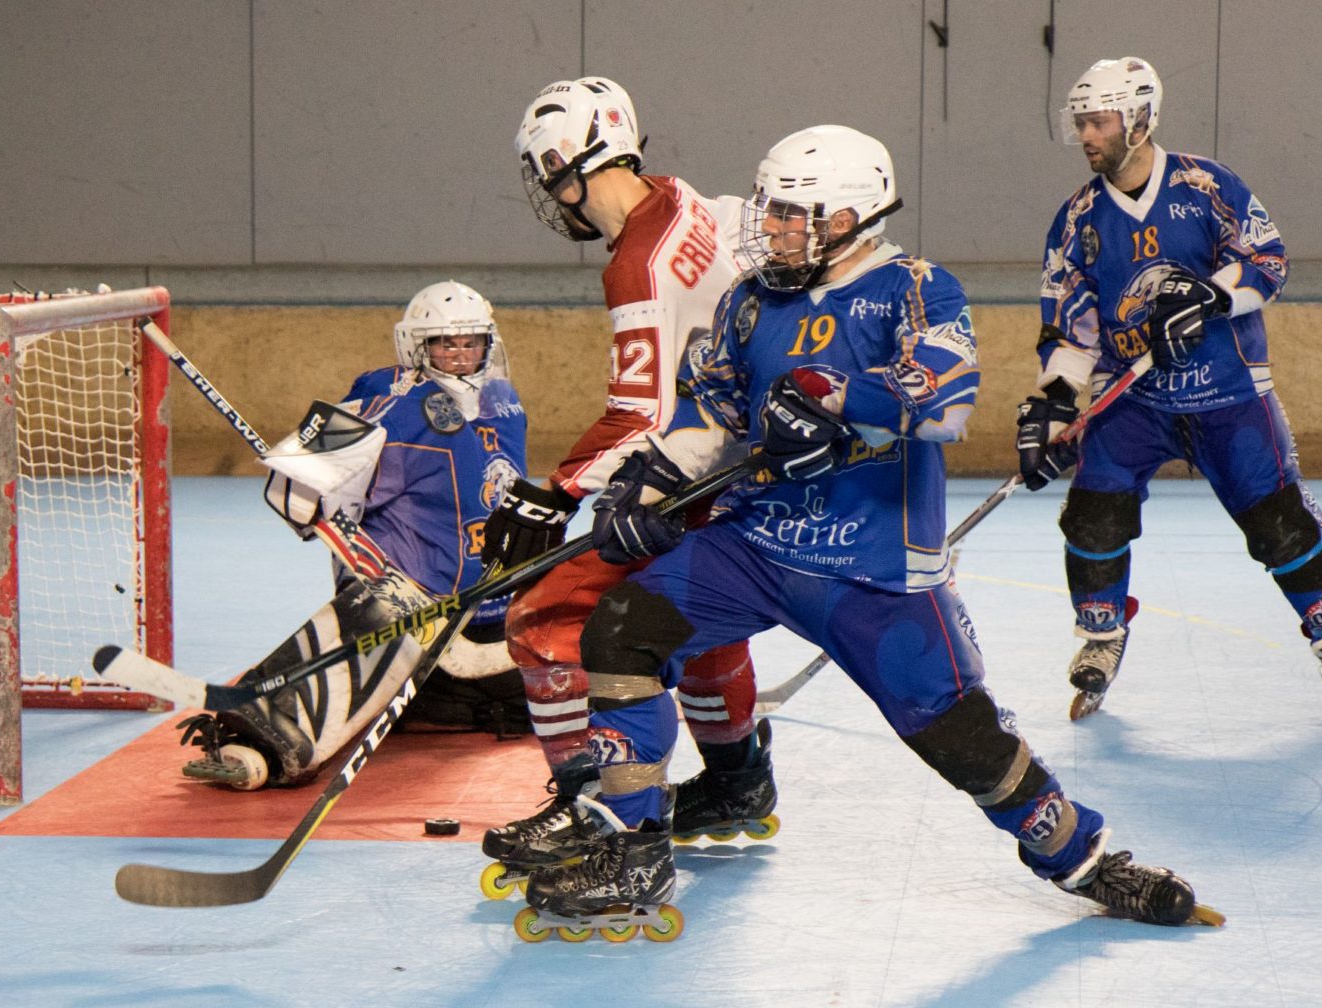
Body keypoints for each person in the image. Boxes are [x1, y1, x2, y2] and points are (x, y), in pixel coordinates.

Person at [511, 123, 1218, 940]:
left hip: (873, 570)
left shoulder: (915, 288)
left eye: (788, 215)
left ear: (845, 220)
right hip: (757, 544)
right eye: (769, 211)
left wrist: (837, 398)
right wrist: (650, 482)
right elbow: (712, 414)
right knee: (622, 629)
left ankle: (1083, 859)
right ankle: (633, 847)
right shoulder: (751, 300)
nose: (768, 229)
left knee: (966, 743)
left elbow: (946, 401)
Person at [1017, 56, 1322, 723]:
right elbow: (1070, 323)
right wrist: (1054, 403)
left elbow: (1268, 260)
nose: (1087, 136)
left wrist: (1210, 297)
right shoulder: (1078, 217)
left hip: (1229, 395)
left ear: (1140, 119)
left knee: (1280, 525)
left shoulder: (1207, 185)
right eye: (1081, 123)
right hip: (1133, 400)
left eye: (1100, 121)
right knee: (1092, 516)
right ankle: (1101, 635)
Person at [478, 76, 777, 897]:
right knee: (696, 621)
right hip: (748, 473)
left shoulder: (637, 263)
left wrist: (554, 491)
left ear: (562, 168)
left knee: (544, 615)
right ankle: (737, 779)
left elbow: (638, 413)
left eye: (547, 176)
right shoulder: (687, 200)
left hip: (695, 473)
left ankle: (588, 810)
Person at [178, 280, 532, 790]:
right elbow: (294, 492)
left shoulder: (505, 402)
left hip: (486, 612)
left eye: (471, 342)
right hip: (411, 599)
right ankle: (263, 728)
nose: (460, 354)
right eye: (445, 343)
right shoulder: (394, 401)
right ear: (417, 346)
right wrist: (310, 486)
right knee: (380, 622)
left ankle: (421, 698)